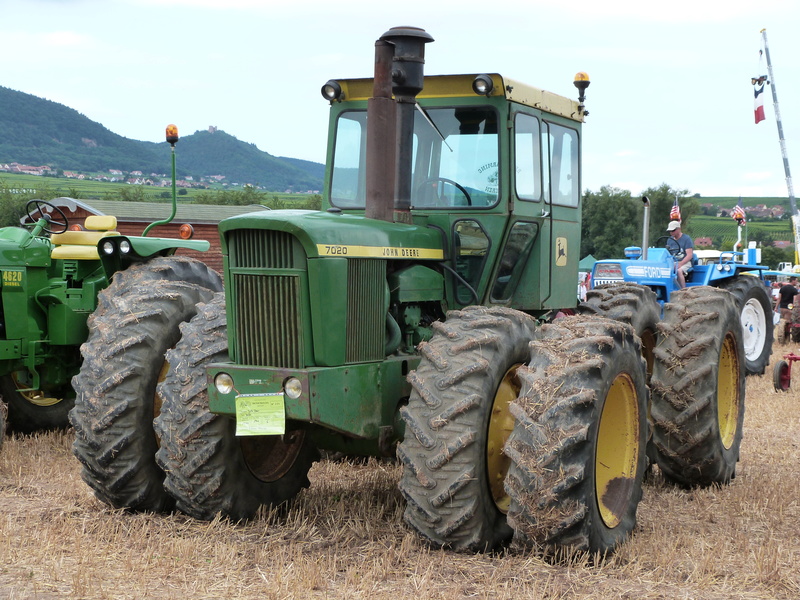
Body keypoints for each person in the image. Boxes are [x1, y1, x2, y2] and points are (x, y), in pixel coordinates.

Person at [665, 220, 694, 289]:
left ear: (679, 229)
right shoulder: (670, 240)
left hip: (685, 262)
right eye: (670, 231)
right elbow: (668, 253)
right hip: (673, 262)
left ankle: (683, 290)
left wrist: (680, 264)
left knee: (679, 271)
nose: (671, 232)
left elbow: (689, 255)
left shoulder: (686, 239)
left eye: (673, 230)